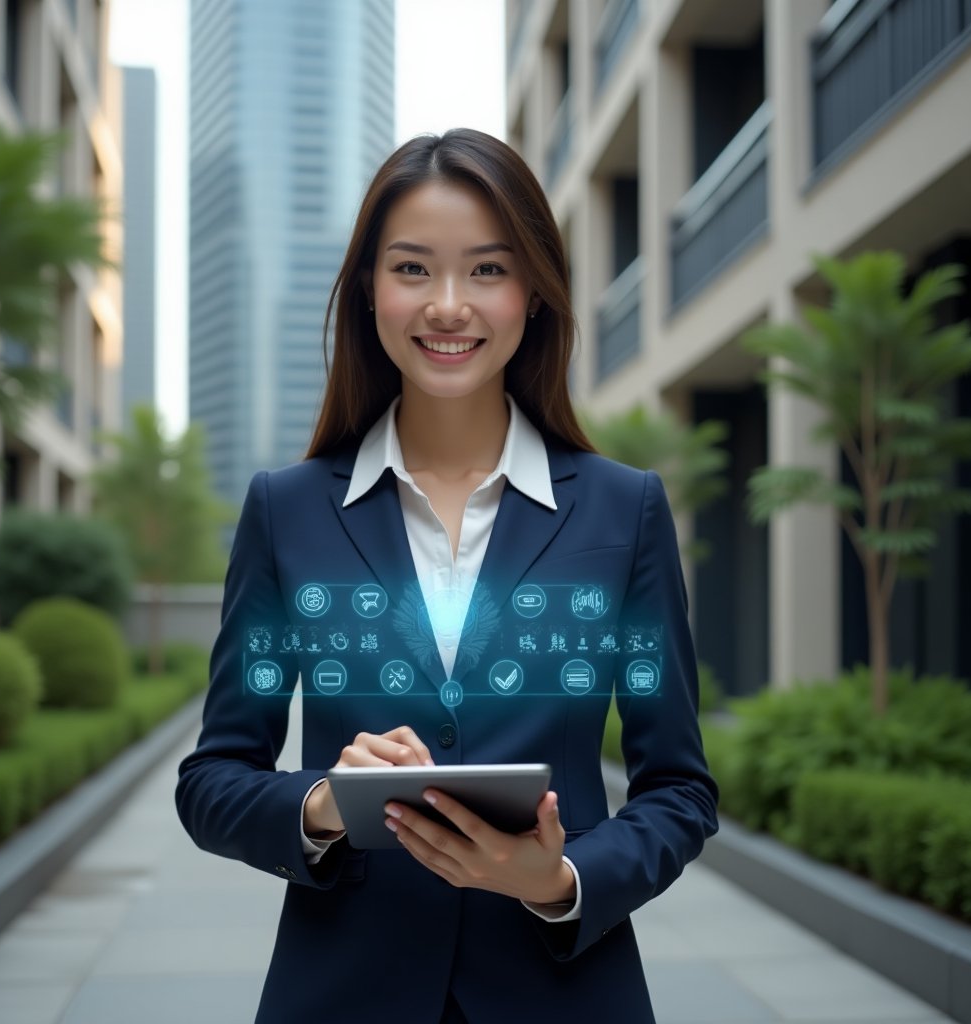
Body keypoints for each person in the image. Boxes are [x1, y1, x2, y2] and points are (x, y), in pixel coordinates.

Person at [176, 128, 718, 1023]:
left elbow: (679, 788)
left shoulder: (627, 513)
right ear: (367, 291)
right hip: (344, 990)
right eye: (414, 269)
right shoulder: (288, 510)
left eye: (490, 271)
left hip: (564, 990)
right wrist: (321, 805)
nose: (449, 306)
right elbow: (215, 777)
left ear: (536, 294)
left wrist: (561, 877)